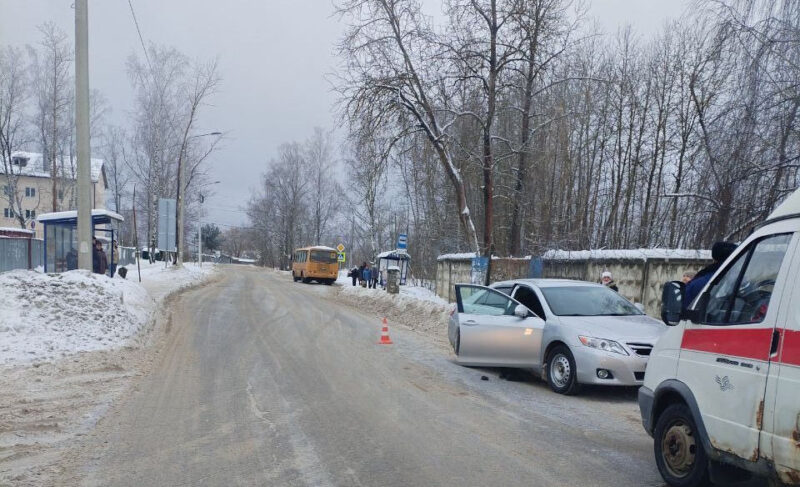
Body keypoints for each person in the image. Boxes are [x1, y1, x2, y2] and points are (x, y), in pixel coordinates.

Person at [683, 241, 737, 309]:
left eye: (687, 276)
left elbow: (684, 310)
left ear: (714, 258)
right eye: (684, 276)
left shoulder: (699, 283)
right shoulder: (743, 282)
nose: (685, 278)